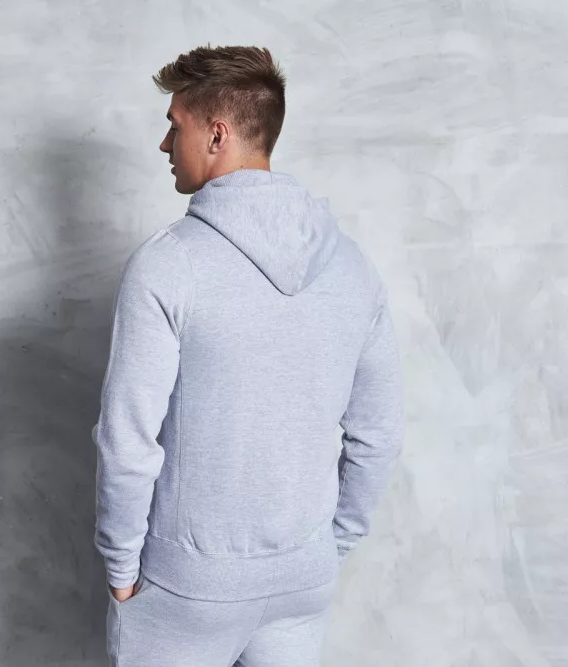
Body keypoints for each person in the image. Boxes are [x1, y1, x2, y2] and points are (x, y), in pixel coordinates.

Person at [92, 44, 404, 666]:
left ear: (216, 135)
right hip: (302, 583)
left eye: (174, 125)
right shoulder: (353, 268)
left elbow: (128, 441)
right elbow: (379, 435)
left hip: (187, 588)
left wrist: (122, 566)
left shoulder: (168, 265)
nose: (164, 145)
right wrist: (327, 548)